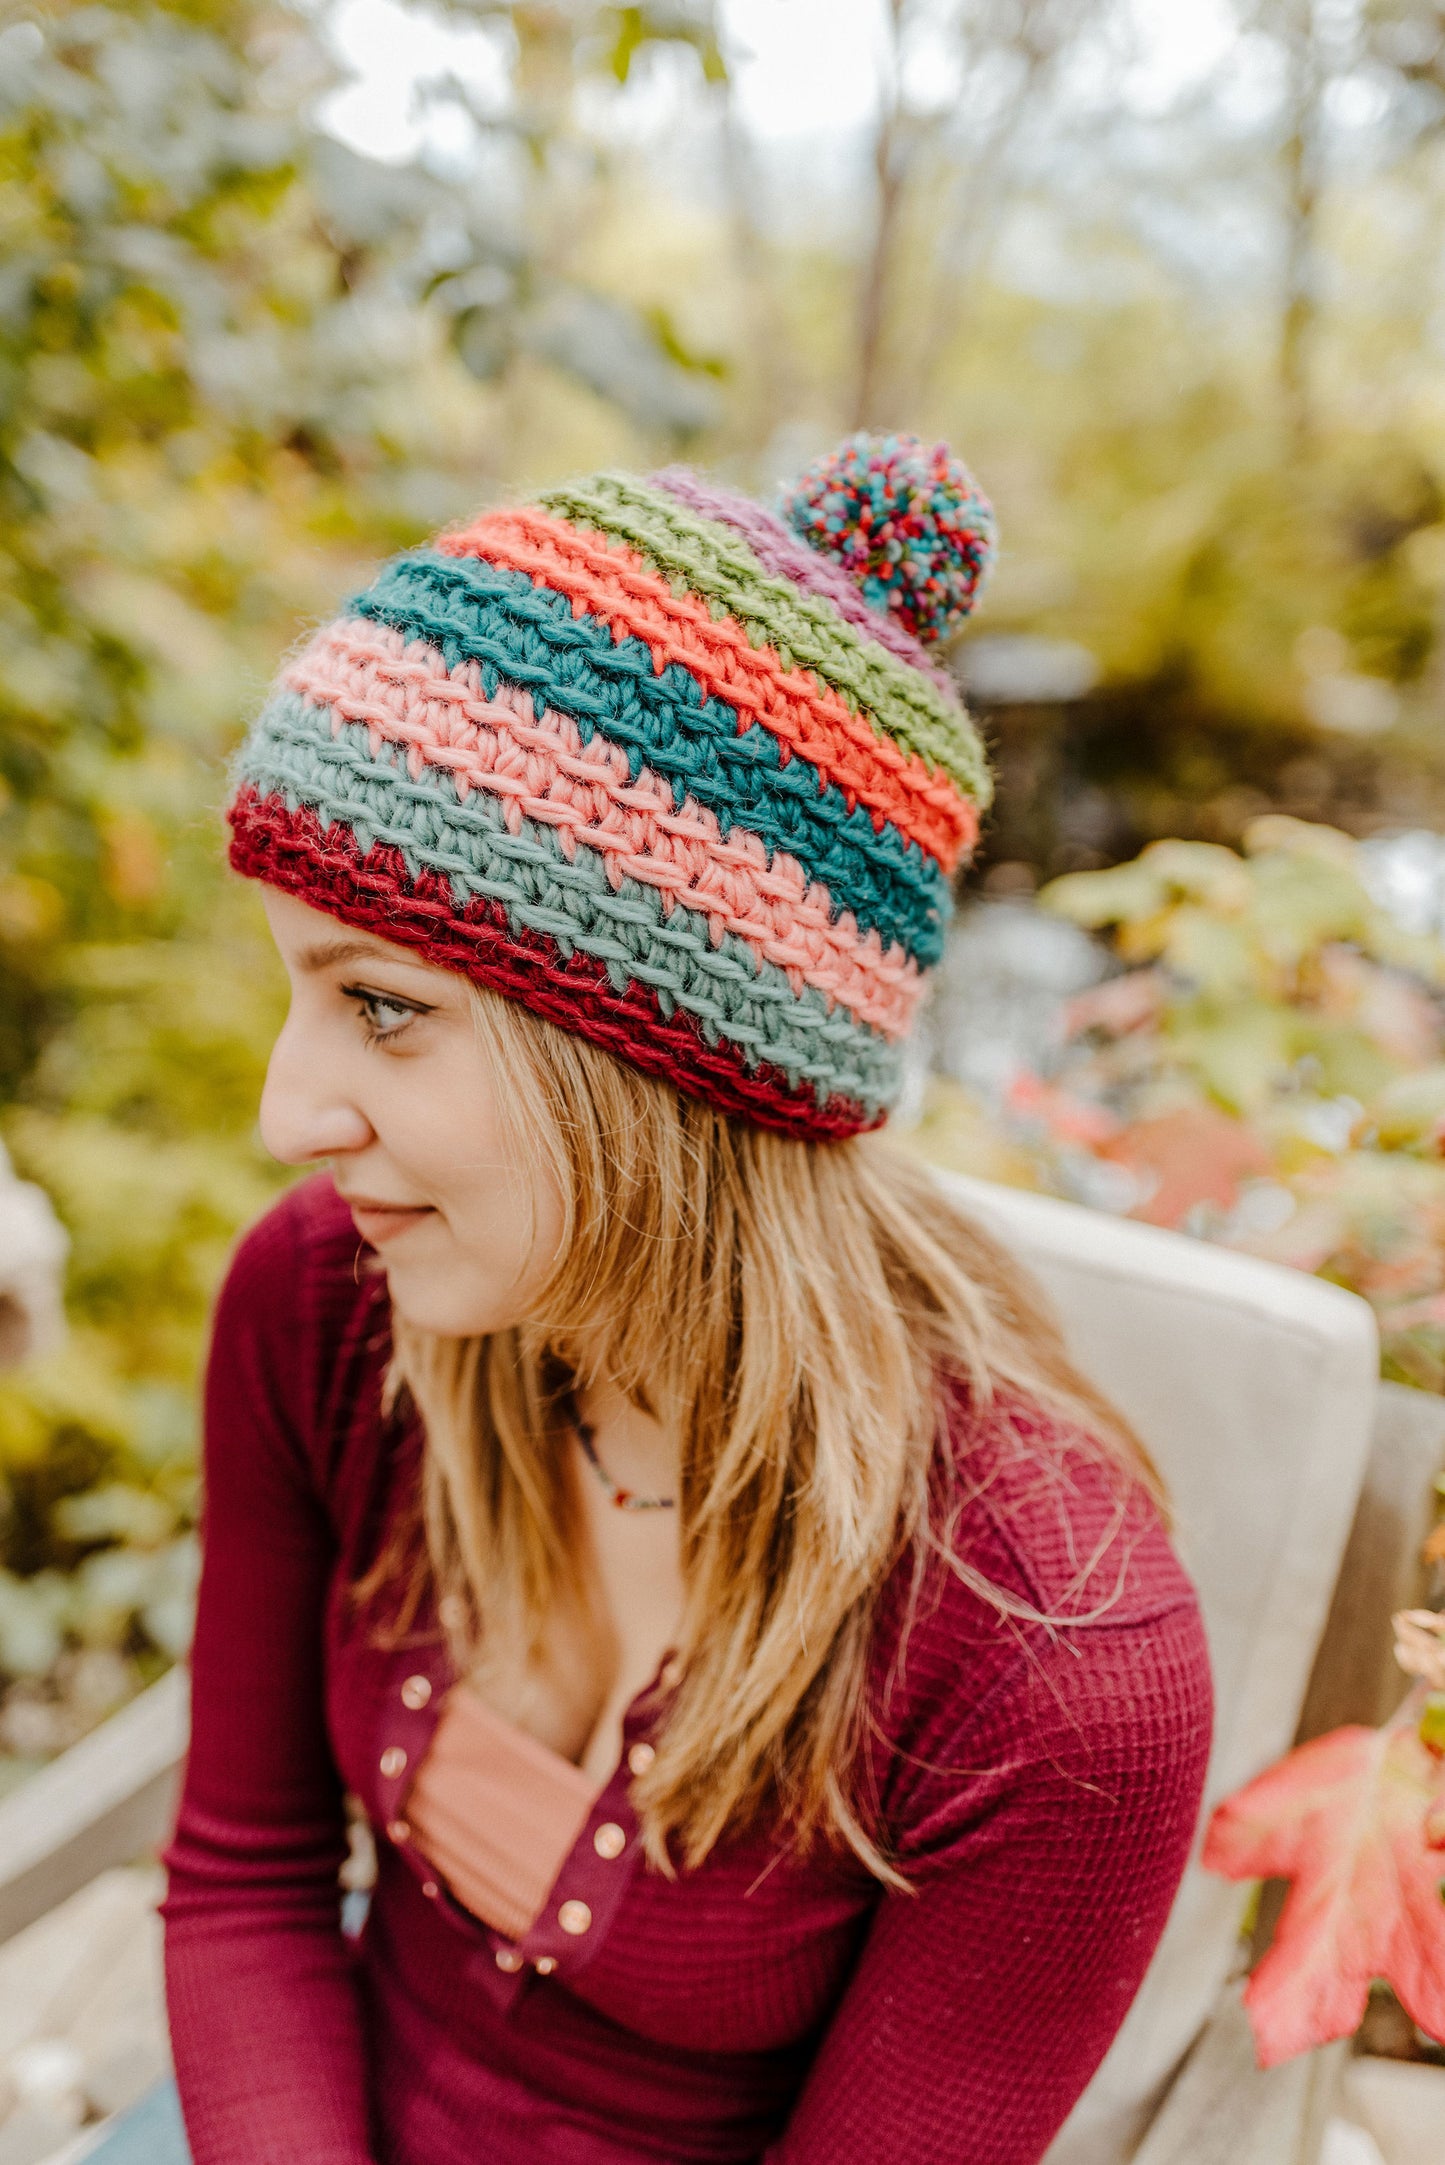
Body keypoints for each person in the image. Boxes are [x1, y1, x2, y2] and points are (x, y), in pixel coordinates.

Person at [156, 435, 1212, 2165]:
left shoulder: (1050, 1657)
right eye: (297, 991)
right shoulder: (331, 1305)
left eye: (387, 1007)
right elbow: (247, 1878)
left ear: (659, 1063)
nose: (292, 1112)